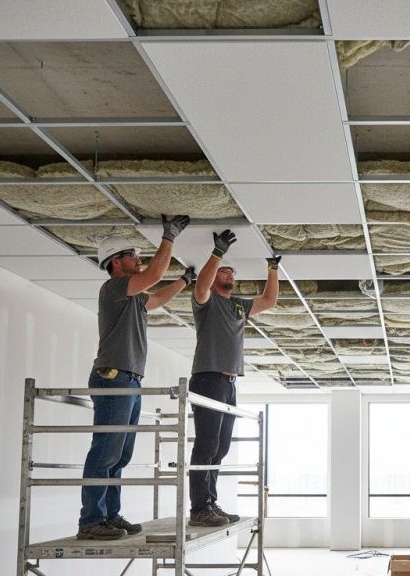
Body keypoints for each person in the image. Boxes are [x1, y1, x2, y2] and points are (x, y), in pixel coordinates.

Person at [78, 215, 193, 540]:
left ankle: (109, 515)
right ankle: (90, 521)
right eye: (132, 255)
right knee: (105, 451)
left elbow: (156, 299)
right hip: (113, 377)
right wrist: (169, 236)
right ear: (115, 263)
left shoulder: (132, 297)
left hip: (129, 379)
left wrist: (184, 280)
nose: (138, 259)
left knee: (120, 454)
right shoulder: (113, 288)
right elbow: (154, 274)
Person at [188, 229, 280, 527]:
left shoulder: (238, 304)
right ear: (215, 278)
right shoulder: (206, 302)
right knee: (206, 444)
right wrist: (217, 253)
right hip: (208, 378)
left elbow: (269, 300)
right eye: (224, 271)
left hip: (228, 382)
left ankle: (210, 502)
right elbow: (201, 285)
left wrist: (273, 268)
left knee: (221, 446)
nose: (231, 274)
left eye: (232, 272)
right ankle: (199, 508)